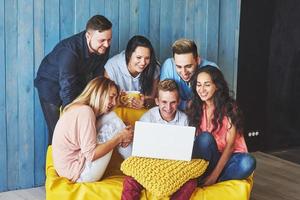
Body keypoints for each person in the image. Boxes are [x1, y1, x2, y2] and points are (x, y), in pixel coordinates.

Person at [35, 15, 112, 145]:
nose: (106, 44)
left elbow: (97, 76)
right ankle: (53, 165)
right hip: (50, 85)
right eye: (102, 40)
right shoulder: (69, 52)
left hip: (75, 81)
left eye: (109, 40)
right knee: (59, 132)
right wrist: (70, 115)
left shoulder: (103, 46)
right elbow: (67, 87)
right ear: (88, 36)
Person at [121, 79, 197, 200]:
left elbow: (188, 152)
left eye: (173, 102)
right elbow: (139, 150)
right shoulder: (147, 117)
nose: (168, 107)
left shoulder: (185, 120)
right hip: (150, 165)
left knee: (191, 182)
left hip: (174, 168)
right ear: (157, 101)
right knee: (130, 179)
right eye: (164, 102)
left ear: (178, 102)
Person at [52, 77, 133, 183]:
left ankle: (135, 164)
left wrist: (124, 131)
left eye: (115, 99)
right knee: (114, 122)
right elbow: (91, 155)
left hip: (69, 168)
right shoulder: (86, 112)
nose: (113, 103)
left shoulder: (80, 108)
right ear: (99, 93)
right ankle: (138, 168)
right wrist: (120, 137)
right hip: (78, 173)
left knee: (113, 119)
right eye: (111, 97)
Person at [188, 66, 256, 186]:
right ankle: (204, 178)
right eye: (199, 84)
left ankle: (215, 181)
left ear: (217, 86)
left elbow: (230, 146)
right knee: (205, 138)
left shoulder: (230, 108)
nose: (202, 89)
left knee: (248, 162)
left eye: (207, 85)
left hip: (229, 157)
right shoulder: (194, 106)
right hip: (209, 159)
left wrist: (213, 177)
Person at [160, 39, 218, 111]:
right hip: (175, 113)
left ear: (198, 60)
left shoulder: (212, 69)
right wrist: (188, 105)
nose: (184, 72)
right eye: (179, 67)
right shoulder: (168, 65)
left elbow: (215, 102)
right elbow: (164, 98)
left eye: (188, 66)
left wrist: (181, 103)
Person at [104, 35, 160, 109]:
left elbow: (152, 98)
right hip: (116, 109)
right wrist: (118, 99)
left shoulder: (154, 67)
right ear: (129, 55)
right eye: (138, 57)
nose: (143, 62)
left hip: (143, 111)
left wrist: (145, 102)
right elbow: (105, 99)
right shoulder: (112, 66)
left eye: (147, 58)